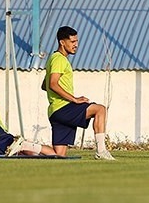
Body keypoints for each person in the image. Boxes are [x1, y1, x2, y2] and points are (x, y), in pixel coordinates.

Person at [42, 26, 115, 160]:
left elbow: (45, 85)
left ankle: (26, 147)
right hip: (63, 108)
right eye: (72, 42)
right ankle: (101, 151)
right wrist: (74, 99)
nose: (76, 45)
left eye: (77, 41)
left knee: (59, 155)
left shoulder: (53, 58)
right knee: (100, 109)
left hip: (55, 111)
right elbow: (52, 84)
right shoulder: (59, 59)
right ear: (62, 42)